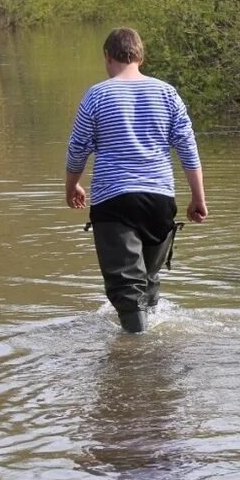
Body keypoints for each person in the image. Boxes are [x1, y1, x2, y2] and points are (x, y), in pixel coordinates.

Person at [65, 27, 207, 334]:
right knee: (148, 278)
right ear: (140, 56)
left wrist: (72, 185)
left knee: (126, 287)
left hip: (114, 201)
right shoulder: (168, 93)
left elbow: (78, 147)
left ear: (107, 56)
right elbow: (187, 146)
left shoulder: (98, 95)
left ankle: (137, 354)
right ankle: (153, 350)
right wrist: (198, 198)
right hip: (159, 200)